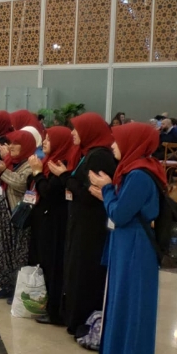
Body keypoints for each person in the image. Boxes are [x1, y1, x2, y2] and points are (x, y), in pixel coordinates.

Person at [89, 122, 164, 354]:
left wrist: (107, 190)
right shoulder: (134, 170)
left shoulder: (139, 175)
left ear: (133, 142)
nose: (112, 146)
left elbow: (120, 214)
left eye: (117, 140)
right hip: (128, 245)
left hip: (134, 249)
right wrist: (108, 193)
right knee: (123, 306)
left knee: (131, 308)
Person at [61, 113, 117, 337]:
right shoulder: (87, 153)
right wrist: (72, 181)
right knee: (76, 269)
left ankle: (84, 322)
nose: (73, 133)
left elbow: (89, 195)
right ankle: (74, 318)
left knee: (85, 272)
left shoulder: (99, 156)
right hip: (82, 221)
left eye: (77, 129)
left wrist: (68, 179)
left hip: (92, 226)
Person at [27, 126, 75, 326]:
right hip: (43, 219)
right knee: (44, 262)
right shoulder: (49, 161)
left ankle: (55, 310)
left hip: (56, 222)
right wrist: (37, 173)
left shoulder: (61, 164)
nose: (44, 142)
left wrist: (38, 173)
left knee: (54, 264)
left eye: (48, 139)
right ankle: (46, 304)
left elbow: (49, 191)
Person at [0, 130, 37, 302]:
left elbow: (21, 183)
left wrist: (2, 171)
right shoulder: (9, 161)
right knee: (1, 249)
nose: (11, 146)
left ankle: (18, 289)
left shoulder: (30, 164)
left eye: (16, 143)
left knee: (17, 251)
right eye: (11, 143)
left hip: (17, 214)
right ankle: (6, 285)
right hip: (0, 212)